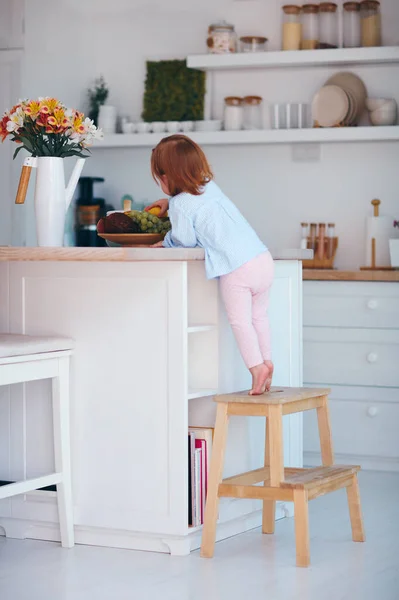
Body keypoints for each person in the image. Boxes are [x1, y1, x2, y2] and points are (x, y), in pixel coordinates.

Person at [146, 134, 274, 395]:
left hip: (236, 269)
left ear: (166, 177)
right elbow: (201, 207)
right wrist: (170, 204)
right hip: (262, 259)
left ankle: (256, 368)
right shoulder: (209, 186)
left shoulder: (181, 204)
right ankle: (267, 360)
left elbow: (184, 240)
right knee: (258, 316)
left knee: (240, 322)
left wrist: (166, 241)